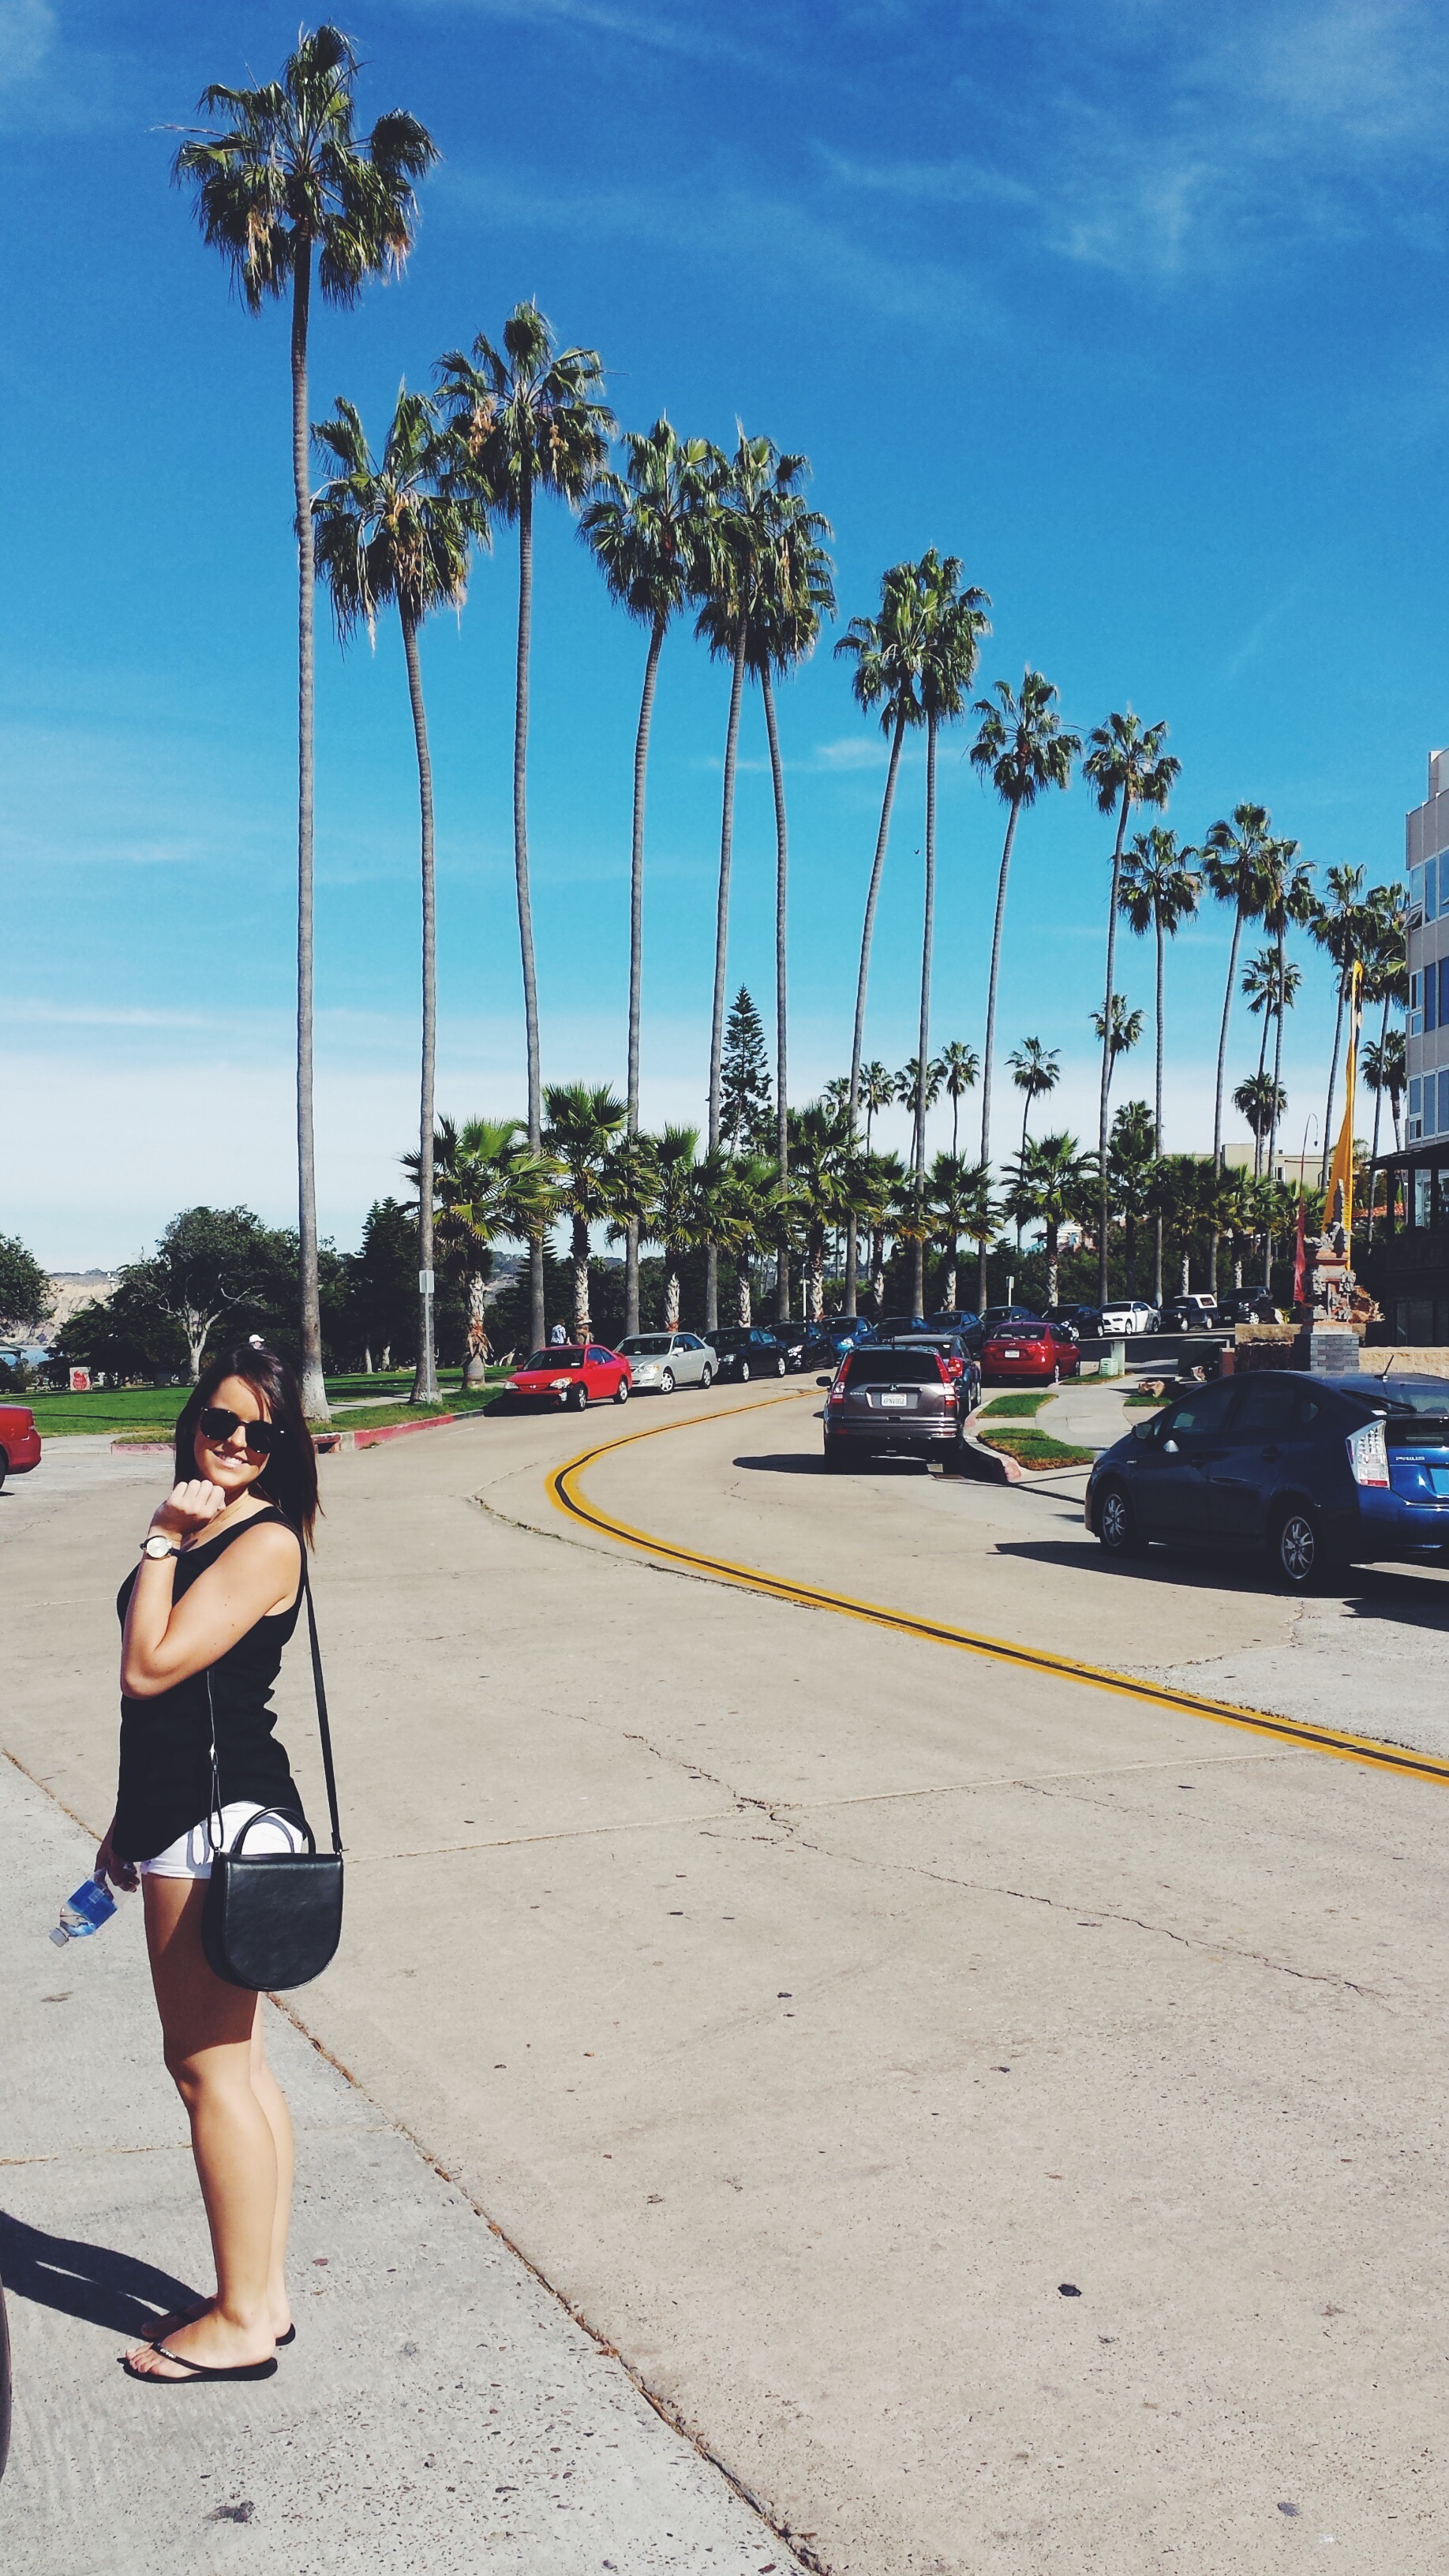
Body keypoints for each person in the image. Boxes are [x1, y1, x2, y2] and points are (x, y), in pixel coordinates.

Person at [95, 1341, 320, 2386]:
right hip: (190, 1815)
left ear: (282, 1448)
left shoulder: (261, 1539)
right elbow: (179, 1711)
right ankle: (260, 2297)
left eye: (256, 1432)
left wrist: (159, 1537)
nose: (232, 1442)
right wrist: (127, 1820)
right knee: (240, 2064)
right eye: (218, 1421)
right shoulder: (218, 1526)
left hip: (219, 1826)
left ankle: (237, 2321)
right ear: (194, 1421)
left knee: (206, 2071)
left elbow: (149, 1671)